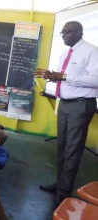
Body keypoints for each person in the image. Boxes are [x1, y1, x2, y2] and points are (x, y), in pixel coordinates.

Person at [33, 21, 98, 206]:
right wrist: (51, 75)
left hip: (81, 105)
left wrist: (63, 76)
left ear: (79, 32)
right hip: (65, 104)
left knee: (72, 149)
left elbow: (96, 79)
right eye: (62, 32)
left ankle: (64, 191)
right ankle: (61, 184)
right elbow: (66, 78)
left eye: (67, 32)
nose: (63, 35)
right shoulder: (64, 54)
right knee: (62, 147)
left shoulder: (92, 51)